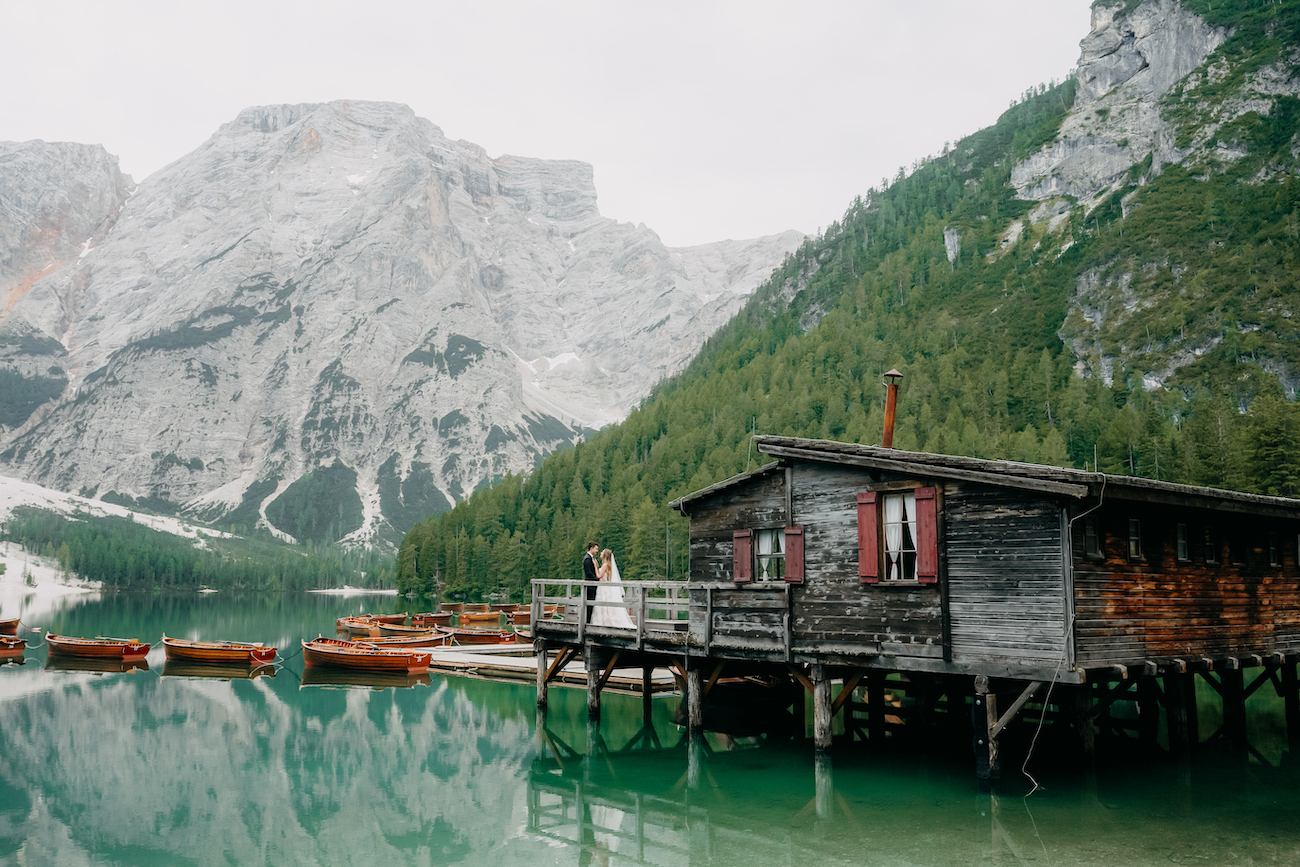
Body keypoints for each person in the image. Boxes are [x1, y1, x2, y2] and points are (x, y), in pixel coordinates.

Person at [590, 548, 635, 628]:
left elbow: (599, 576)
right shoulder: (608, 565)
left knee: (602, 604)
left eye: (602, 552)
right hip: (607, 587)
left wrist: (595, 567)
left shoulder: (604, 565)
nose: (600, 553)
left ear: (605, 555)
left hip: (603, 588)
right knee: (607, 605)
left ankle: (603, 622)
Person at [582, 541, 599, 623]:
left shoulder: (590, 558)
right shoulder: (587, 559)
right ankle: (587, 621)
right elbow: (588, 573)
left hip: (592, 585)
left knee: (591, 603)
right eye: (596, 549)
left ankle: (589, 620)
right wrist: (597, 579)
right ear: (591, 548)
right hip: (590, 585)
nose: (597, 551)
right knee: (589, 604)